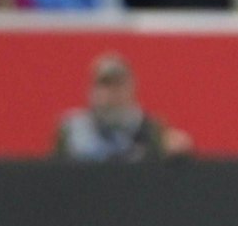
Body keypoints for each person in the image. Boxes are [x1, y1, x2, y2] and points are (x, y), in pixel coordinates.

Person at [53, 54, 193, 161]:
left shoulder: (151, 128)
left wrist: (180, 153)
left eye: (119, 84)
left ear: (132, 88)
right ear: (91, 90)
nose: (113, 92)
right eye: (106, 85)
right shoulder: (71, 130)